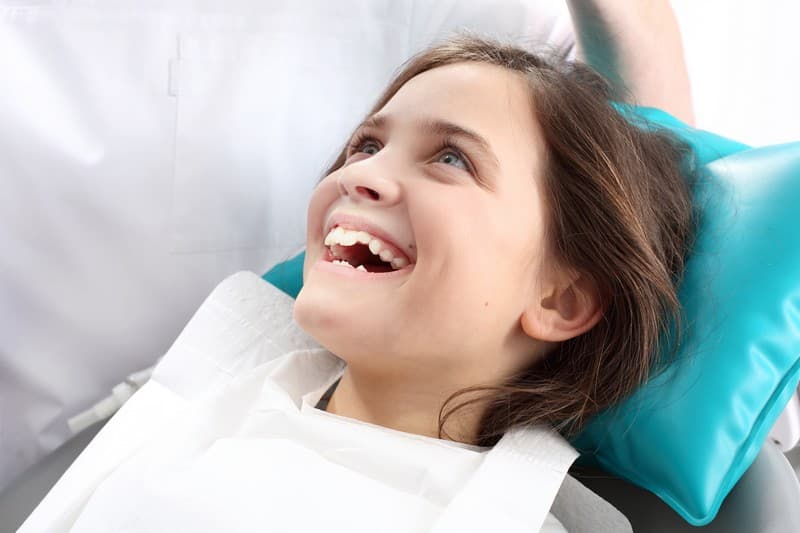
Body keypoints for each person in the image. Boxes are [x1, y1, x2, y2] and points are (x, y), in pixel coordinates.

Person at [20, 34, 695, 532]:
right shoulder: (202, 392)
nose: (356, 176)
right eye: (367, 145)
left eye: (451, 157)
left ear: (561, 298)